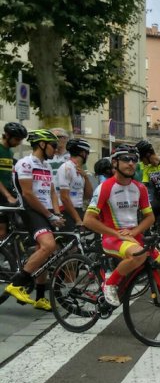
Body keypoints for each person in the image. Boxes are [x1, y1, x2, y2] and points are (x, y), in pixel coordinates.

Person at [82, 145, 160, 325]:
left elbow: (150, 217)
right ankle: (109, 284)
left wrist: (134, 232)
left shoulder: (139, 188)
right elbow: (88, 220)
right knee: (138, 255)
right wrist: (118, 234)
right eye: (126, 159)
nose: (131, 163)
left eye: (134, 159)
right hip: (112, 239)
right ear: (115, 163)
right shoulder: (105, 187)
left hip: (134, 238)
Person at [2, 129, 65, 310]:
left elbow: (52, 191)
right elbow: (28, 194)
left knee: (44, 255)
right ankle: (16, 284)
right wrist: (49, 215)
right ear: (42, 144)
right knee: (48, 246)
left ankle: (39, 297)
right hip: (30, 211)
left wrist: (56, 212)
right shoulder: (25, 163)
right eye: (53, 145)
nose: (56, 149)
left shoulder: (45, 165)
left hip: (45, 211)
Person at [56, 138, 94, 231]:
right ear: (83, 153)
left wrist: (86, 177)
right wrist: (77, 219)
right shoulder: (66, 168)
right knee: (74, 244)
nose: (87, 156)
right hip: (65, 211)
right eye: (87, 153)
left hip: (78, 208)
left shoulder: (80, 170)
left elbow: (88, 196)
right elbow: (64, 197)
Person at [0, 122, 26, 239]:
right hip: (3, 195)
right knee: (2, 230)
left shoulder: (10, 152)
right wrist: (8, 195)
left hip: (7, 193)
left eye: (20, 140)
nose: (18, 143)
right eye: (16, 139)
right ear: (7, 135)